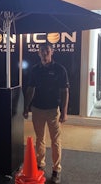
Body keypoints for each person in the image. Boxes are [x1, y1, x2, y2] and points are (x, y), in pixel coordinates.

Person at [23, 44, 69, 184]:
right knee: (40, 139)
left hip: (53, 109)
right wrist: (26, 107)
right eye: (42, 51)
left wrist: (64, 112)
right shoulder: (35, 69)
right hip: (37, 109)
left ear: (52, 52)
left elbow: (65, 91)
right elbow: (30, 88)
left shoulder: (60, 69)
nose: (44, 54)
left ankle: (56, 169)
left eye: (47, 51)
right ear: (38, 53)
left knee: (55, 141)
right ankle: (40, 165)